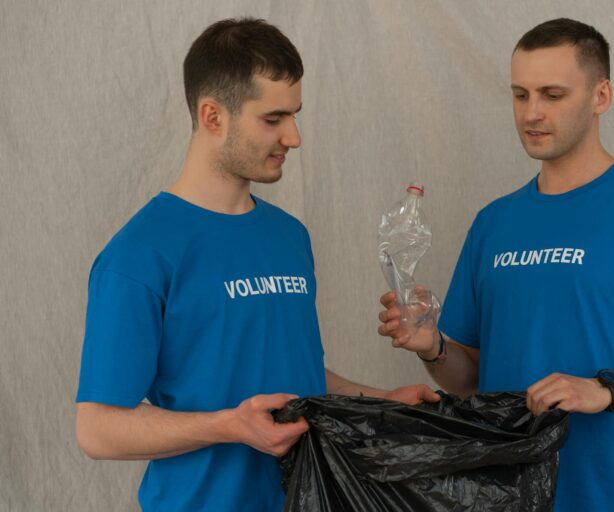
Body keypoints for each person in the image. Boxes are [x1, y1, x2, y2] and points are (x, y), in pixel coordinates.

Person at [75, 18, 438, 512]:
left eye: (295, 115)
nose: (294, 137)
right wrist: (226, 426)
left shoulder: (289, 236)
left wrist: (381, 400)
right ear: (212, 116)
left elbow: (292, 370)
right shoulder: (139, 255)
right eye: (273, 119)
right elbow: (97, 428)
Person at [378, 18, 614, 512]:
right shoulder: (494, 223)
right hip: (507, 495)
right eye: (520, 95)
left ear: (600, 96)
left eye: (552, 94)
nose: (531, 113)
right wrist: (431, 346)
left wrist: (606, 390)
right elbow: (472, 379)